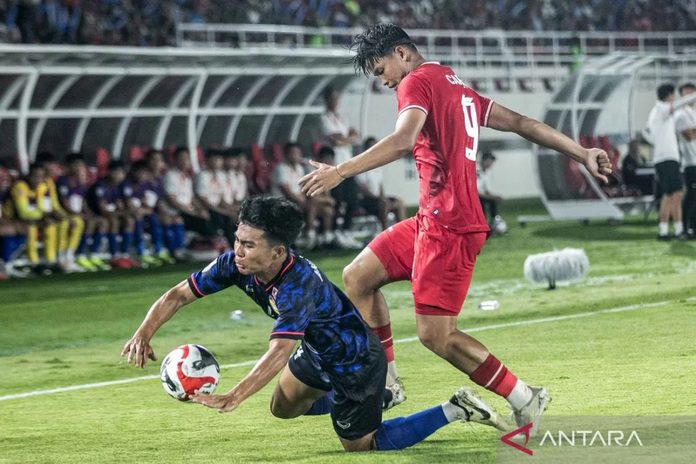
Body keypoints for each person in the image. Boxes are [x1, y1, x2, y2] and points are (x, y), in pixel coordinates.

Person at [299, 23, 613, 436]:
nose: (384, 80)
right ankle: (388, 383)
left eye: (381, 70)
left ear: (402, 53)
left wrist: (341, 171)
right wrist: (582, 150)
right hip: (432, 219)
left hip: (449, 226)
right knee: (358, 276)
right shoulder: (453, 82)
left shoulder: (416, 82)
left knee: (435, 336)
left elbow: (401, 141)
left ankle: (524, 396)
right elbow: (520, 122)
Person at [121, 196, 508, 452]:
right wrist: (143, 332)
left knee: (360, 445)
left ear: (277, 251)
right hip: (318, 350)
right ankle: (376, 400)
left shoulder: (297, 285)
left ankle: (455, 408)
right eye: (238, 239)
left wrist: (234, 395)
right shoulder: (234, 265)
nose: (238, 250)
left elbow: (279, 350)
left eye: (248, 245)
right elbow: (178, 294)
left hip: (354, 361)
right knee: (282, 408)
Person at [643, 83, 696, 239]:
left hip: (669, 157)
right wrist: (692, 96)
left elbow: (647, 133)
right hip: (665, 158)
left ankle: (678, 229)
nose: (675, 99)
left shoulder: (660, 112)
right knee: (670, 193)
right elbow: (680, 104)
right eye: (673, 96)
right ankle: (663, 230)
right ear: (669, 96)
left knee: (676, 193)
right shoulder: (661, 110)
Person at [271, 142, 336, 249]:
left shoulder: (299, 168)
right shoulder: (281, 168)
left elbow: (303, 188)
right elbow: (287, 192)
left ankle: (326, 239)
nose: (296, 156)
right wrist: (303, 201)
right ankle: (311, 237)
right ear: (286, 154)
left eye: (298, 153)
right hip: (284, 202)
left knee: (327, 210)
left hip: (300, 202)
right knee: (314, 203)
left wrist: (305, 200)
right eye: (293, 153)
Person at [56, 153, 111, 271]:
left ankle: (93, 254)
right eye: (76, 165)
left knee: (101, 222)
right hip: (64, 214)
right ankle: (75, 255)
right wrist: (80, 214)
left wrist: (88, 213)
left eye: (81, 166)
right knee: (81, 222)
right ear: (68, 167)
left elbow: (83, 202)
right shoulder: (63, 181)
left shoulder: (80, 183)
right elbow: (64, 203)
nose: (79, 169)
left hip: (76, 214)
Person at [355, 137, 406, 231]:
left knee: (399, 203)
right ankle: (384, 232)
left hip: (378, 198)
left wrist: (382, 197)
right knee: (384, 203)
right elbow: (362, 189)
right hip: (366, 200)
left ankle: (402, 231)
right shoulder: (361, 166)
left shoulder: (378, 166)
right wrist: (379, 198)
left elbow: (380, 186)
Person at [674, 83, 696, 238]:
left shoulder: (692, 113)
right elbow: (689, 135)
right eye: (686, 94)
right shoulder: (680, 114)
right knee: (691, 196)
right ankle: (685, 228)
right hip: (690, 162)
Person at [476, 151, 505, 234]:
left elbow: (486, 190)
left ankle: (494, 222)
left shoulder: (486, 172)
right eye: (490, 162)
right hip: (472, 196)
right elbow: (475, 191)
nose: (491, 165)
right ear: (484, 160)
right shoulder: (476, 170)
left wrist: (494, 196)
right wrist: (491, 197)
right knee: (481, 202)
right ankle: (483, 225)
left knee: (493, 201)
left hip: (480, 195)